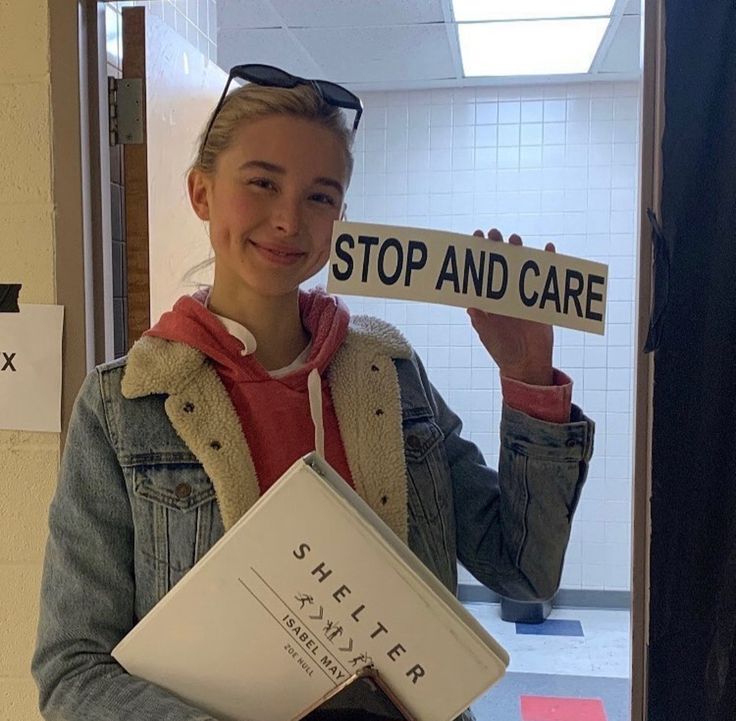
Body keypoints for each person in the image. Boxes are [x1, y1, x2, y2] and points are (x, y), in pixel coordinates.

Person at [32, 64, 594, 721]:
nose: (287, 219)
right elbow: (72, 669)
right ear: (201, 192)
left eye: (320, 196)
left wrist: (527, 376)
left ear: (341, 220)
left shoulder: (393, 374)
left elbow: (523, 572)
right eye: (262, 183)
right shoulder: (124, 406)